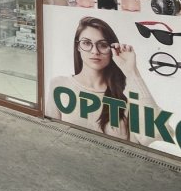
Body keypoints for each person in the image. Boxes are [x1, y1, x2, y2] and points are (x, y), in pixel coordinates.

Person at [47, 17, 165, 145]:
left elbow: (153, 137)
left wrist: (132, 72)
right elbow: (51, 135)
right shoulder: (59, 85)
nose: (95, 51)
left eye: (103, 45)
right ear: (78, 47)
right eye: (86, 43)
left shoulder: (127, 93)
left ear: (112, 49)